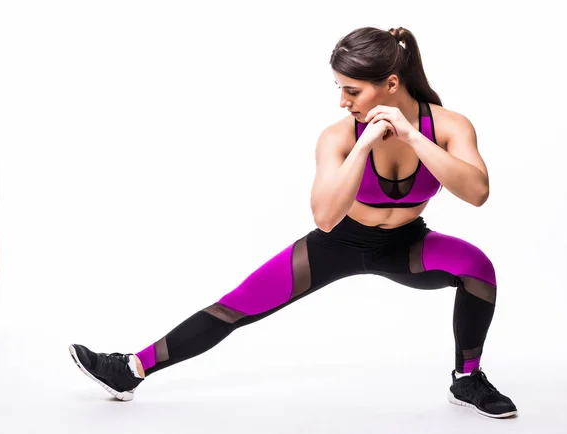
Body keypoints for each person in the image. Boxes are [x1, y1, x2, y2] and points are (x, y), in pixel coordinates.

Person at [69, 26, 517, 419]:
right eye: (338, 88)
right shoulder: (339, 136)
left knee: (478, 268)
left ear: (391, 84)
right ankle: (129, 369)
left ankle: (467, 378)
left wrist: (411, 135)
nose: (343, 101)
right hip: (337, 243)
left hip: (405, 245)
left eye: (352, 90)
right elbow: (324, 217)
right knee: (234, 306)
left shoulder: (448, 126)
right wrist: (363, 146)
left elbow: (477, 192)